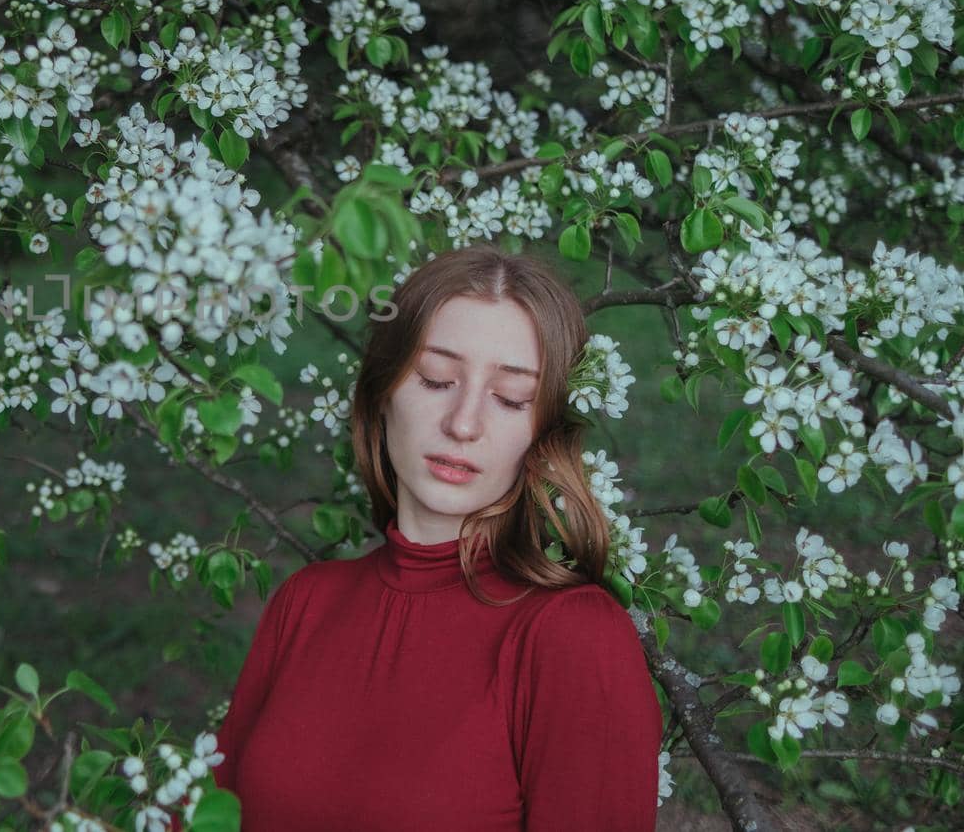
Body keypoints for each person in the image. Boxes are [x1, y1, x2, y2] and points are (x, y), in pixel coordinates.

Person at [210, 244, 664, 831]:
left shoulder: (573, 637)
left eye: (510, 398)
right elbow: (210, 817)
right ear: (383, 390)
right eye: (436, 379)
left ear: (543, 428)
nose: (464, 423)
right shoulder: (306, 602)